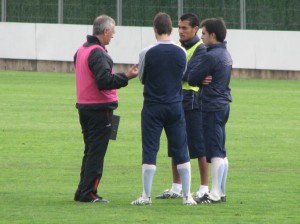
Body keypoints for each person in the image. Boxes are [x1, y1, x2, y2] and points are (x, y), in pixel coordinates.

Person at [131, 12, 197, 206]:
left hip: (152, 106)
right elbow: (181, 74)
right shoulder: (181, 52)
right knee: (181, 149)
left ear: (154, 29)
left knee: (150, 150)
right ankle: (187, 196)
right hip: (175, 106)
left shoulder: (146, 52)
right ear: (171, 29)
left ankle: (146, 196)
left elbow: (142, 77)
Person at [73, 15, 138, 203]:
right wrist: (127, 77)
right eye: (113, 32)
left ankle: (82, 191)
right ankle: (88, 193)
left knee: (90, 150)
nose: (113, 36)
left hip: (84, 106)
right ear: (106, 31)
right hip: (99, 109)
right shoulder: (98, 53)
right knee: (96, 152)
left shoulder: (82, 50)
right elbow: (104, 81)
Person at [156, 13, 210, 200]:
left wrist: (178, 71)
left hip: (193, 102)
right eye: (179, 27)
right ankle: (176, 187)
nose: (181, 31)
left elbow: (190, 74)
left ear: (195, 29)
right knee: (175, 144)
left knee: (198, 146)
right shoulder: (177, 47)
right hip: (176, 99)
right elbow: (184, 72)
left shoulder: (200, 49)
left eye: (185, 28)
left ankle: (204, 187)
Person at [186, 18, 232, 203]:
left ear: (213, 35)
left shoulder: (210, 55)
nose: (201, 37)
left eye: (203, 33)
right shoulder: (225, 54)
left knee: (214, 151)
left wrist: (198, 76)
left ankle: (214, 193)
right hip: (222, 104)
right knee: (220, 149)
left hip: (211, 105)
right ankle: (220, 191)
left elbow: (191, 77)